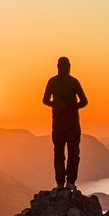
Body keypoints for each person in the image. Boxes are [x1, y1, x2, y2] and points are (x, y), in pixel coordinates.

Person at [42, 56, 88, 191]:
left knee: (60, 153)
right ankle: (69, 183)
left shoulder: (53, 81)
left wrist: (56, 105)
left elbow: (45, 100)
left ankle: (62, 183)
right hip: (71, 122)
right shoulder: (74, 82)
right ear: (67, 67)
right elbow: (84, 101)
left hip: (59, 122)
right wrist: (72, 107)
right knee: (72, 152)